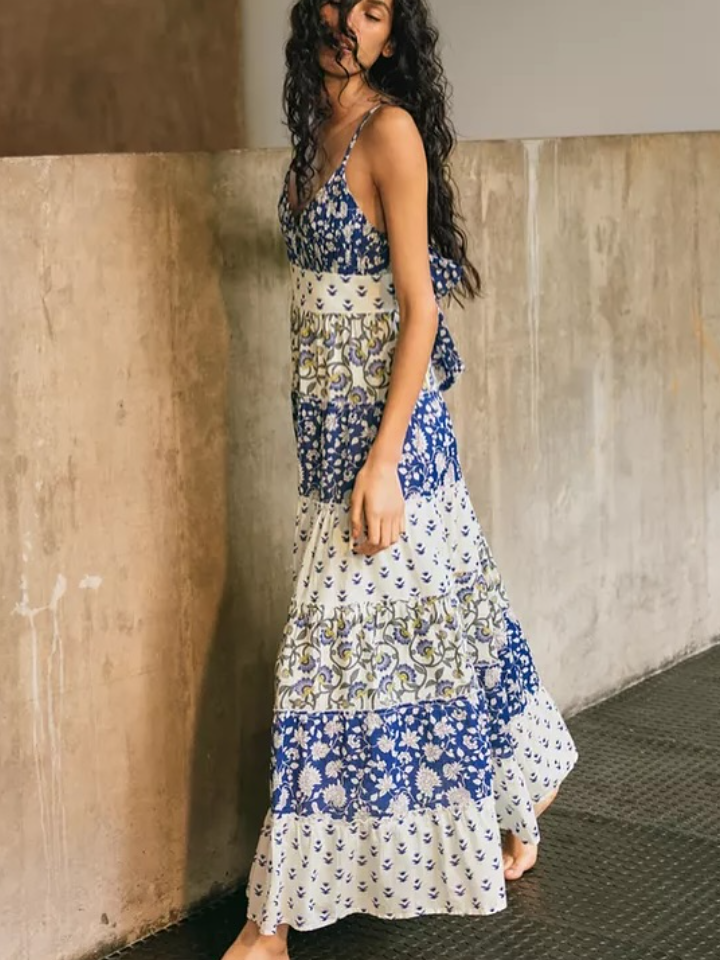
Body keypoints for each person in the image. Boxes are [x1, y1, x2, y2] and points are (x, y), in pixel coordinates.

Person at [222, 2, 579, 957]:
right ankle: (528, 779)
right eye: (341, 0)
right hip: (326, 442)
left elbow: (420, 309)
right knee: (452, 620)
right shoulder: (316, 130)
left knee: (321, 665)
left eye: (376, 10)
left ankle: (269, 925)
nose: (351, 21)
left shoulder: (390, 133)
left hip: (388, 447)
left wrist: (382, 466)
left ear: (394, 34)